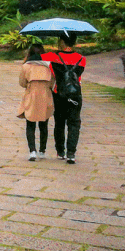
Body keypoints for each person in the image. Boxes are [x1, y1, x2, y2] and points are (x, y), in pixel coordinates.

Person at [42, 35, 87, 164]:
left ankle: (60, 151)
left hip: (59, 94)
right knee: (74, 123)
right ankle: (71, 153)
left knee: (59, 123)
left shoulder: (53, 57)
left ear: (61, 42)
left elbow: (36, 59)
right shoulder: (82, 59)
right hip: (75, 95)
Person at [17, 43, 54, 161]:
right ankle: (42, 150)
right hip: (45, 96)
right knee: (44, 124)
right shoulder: (49, 66)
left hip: (31, 96)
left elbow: (22, 83)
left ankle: (32, 151)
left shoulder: (26, 66)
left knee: (30, 124)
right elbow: (52, 82)